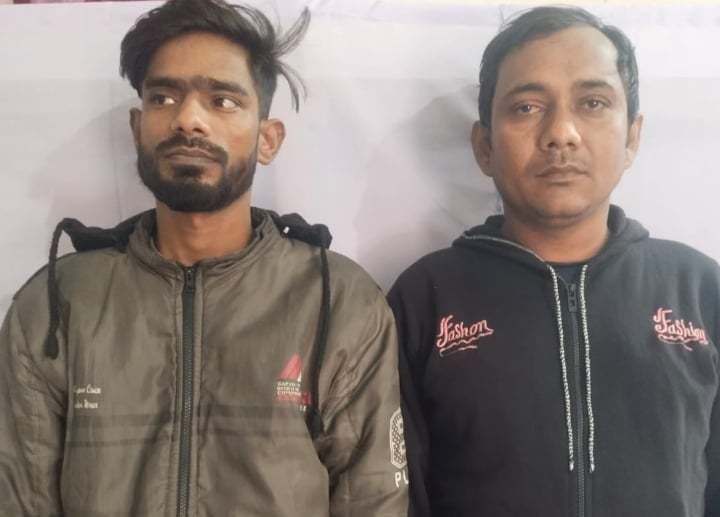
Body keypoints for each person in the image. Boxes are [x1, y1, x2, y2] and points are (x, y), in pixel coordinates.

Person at [0, 0, 408, 515]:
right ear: (137, 127)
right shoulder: (56, 303)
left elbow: (372, 500)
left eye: (223, 101)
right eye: (164, 97)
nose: (188, 120)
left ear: (268, 139)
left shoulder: (339, 301)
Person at [388, 6, 720, 516]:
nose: (561, 132)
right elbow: (395, 497)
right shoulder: (424, 299)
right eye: (526, 107)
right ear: (484, 146)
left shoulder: (698, 291)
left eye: (592, 102)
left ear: (632, 136)